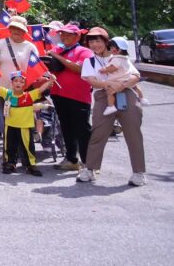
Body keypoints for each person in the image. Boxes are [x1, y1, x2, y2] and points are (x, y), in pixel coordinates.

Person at [80, 27, 146, 186]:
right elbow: (92, 81)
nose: (95, 44)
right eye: (92, 41)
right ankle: (90, 169)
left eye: (98, 40)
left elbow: (136, 76)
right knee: (98, 133)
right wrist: (109, 85)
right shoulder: (89, 61)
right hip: (103, 96)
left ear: (106, 41)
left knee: (133, 133)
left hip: (126, 94)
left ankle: (139, 172)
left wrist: (120, 86)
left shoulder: (120, 57)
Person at [46, 23, 93, 172]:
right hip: (59, 94)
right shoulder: (57, 49)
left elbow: (79, 69)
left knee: (82, 130)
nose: (64, 36)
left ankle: (89, 163)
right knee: (66, 128)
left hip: (78, 96)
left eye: (68, 34)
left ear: (77, 36)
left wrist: (56, 57)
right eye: (62, 34)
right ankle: (72, 159)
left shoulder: (84, 51)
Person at [0, 16, 36, 86]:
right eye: (14, 27)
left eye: (20, 28)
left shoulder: (31, 47)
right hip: (2, 91)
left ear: (24, 31)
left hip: (23, 91)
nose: (17, 30)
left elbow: (35, 70)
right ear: (9, 29)